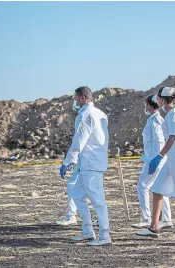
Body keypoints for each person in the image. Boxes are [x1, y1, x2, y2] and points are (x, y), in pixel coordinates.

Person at [137, 87, 175, 241]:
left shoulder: (173, 115)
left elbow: (172, 138)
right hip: (172, 156)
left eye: (158, 98)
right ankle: (154, 227)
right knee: (157, 188)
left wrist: (159, 156)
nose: (157, 100)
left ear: (163, 99)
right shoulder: (172, 114)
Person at [59, 86, 111, 246]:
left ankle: (104, 236)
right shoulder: (99, 113)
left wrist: (67, 161)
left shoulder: (87, 115)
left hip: (91, 163)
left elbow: (79, 140)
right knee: (77, 193)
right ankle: (88, 230)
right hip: (88, 162)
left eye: (75, 99)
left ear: (82, 98)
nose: (74, 102)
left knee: (97, 200)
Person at [132, 95, 173, 229]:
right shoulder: (159, 119)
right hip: (159, 158)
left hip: (154, 158)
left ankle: (147, 217)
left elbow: (158, 140)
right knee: (160, 188)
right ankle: (167, 219)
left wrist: (154, 160)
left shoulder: (154, 120)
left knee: (142, 186)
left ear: (149, 106)